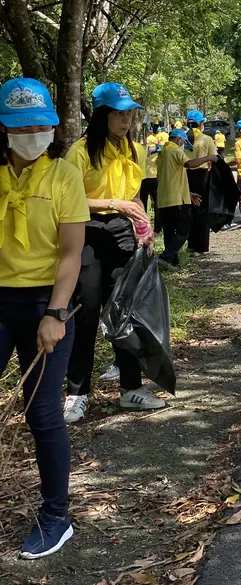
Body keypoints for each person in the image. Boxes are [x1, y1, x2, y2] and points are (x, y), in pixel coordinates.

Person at [0, 78, 89, 558]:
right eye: (21, 127)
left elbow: (71, 253)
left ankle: (56, 515)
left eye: (40, 126)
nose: (31, 134)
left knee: (41, 413)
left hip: (45, 302)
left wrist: (55, 312)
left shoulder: (63, 174)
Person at [63, 82, 163, 425]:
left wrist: (144, 227)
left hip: (122, 232)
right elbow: (71, 200)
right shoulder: (78, 153)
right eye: (119, 113)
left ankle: (131, 389)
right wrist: (112, 203)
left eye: (129, 113)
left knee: (124, 312)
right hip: (88, 230)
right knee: (87, 311)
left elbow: (134, 198)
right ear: (103, 115)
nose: (126, 120)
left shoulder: (135, 150)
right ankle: (77, 394)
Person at [157, 129, 218, 266]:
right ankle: (165, 256)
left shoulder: (162, 153)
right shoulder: (175, 151)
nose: (183, 145)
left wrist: (188, 194)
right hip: (175, 199)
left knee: (169, 230)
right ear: (179, 139)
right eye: (184, 142)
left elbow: (170, 178)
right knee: (184, 227)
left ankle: (172, 261)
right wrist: (208, 158)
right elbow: (189, 164)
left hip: (163, 198)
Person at [185, 109, 216, 254]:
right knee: (202, 211)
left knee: (189, 210)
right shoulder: (207, 139)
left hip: (186, 176)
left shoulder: (182, 139)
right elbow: (213, 160)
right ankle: (202, 247)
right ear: (201, 123)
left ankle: (191, 245)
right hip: (202, 176)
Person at [140, 142, 161, 234]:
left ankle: (143, 227)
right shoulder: (158, 157)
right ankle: (157, 228)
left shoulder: (145, 158)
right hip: (154, 180)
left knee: (143, 204)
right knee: (157, 205)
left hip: (144, 180)